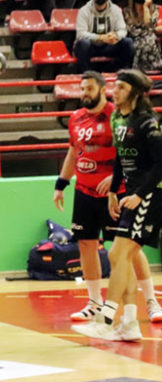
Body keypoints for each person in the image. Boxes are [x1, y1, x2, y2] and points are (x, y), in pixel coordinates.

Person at [53, 71, 162, 323]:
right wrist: (61, 184)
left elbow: (133, 157)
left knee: (127, 249)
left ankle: (150, 302)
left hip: (121, 193)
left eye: (89, 89)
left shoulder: (121, 116)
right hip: (85, 191)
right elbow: (73, 153)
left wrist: (116, 184)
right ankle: (95, 303)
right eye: (81, 89)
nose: (84, 94)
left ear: (103, 90)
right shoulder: (76, 118)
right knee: (86, 244)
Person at [74, 0, 134, 73]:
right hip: (90, 46)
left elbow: (122, 30)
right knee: (83, 44)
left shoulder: (116, 10)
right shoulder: (84, 11)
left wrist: (115, 35)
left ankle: (122, 73)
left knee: (128, 42)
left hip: (109, 45)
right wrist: (100, 37)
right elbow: (80, 34)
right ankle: (85, 74)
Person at [124, 0, 162, 72]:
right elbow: (132, 31)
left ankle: (145, 71)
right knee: (147, 39)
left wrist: (146, 8)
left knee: (150, 39)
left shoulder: (158, 10)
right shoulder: (126, 12)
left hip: (152, 42)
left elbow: (150, 27)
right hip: (133, 40)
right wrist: (152, 30)